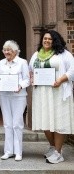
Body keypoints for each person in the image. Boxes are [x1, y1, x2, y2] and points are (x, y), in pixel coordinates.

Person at [29, 30, 74, 164]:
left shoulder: (64, 54)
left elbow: (72, 70)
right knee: (46, 120)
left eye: (50, 39)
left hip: (58, 92)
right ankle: (53, 147)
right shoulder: (36, 54)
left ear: (55, 40)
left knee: (58, 121)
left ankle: (59, 153)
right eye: (45, 39)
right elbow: (31, 70)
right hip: (42, 93)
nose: (46, 41)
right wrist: (32, 78)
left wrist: (61, 79)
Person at [0, 40, 30, 161]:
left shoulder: (22, 62)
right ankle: (8, 151)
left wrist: (20, 85)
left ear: (15, 51)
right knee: (7, 124)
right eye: (5, 50)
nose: (6, 52)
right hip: (4, 96)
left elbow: (27, 80)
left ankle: (18, 152)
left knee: (17, 123)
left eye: (9, 50)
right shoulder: (1, 63)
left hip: (18, 96)